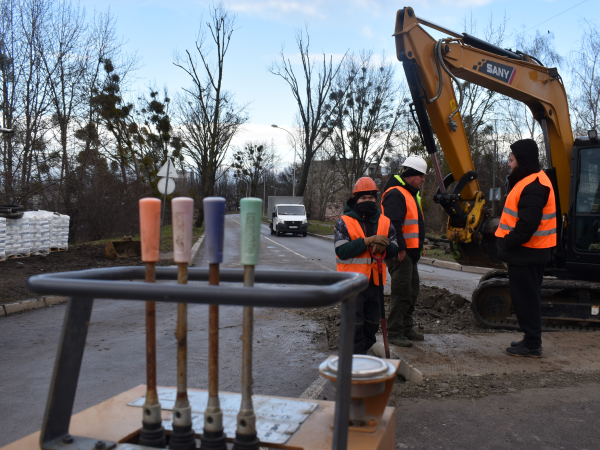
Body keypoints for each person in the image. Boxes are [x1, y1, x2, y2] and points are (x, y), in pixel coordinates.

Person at [496, 139, 556, 358]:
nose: (509, 164)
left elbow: (527, 225)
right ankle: (530, 340)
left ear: (521, 160)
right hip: (529, 252)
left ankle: (532, 344)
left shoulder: (534, 185)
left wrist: (506, 242)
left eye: (511, 160)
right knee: (526, 299)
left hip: (527, 253)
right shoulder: (531, 181)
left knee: (526, 300)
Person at [334, 177, 400, 354]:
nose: (368, 201)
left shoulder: (385, 222)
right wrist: (366, 242)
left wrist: (387, 245)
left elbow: (395, 250)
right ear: (356, 200)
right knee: (354, 324)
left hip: (375, 283)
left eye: (371, 198)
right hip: (352, 283)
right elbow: (342, 251)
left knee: (372, 323)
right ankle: (354, 360)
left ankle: (362, 352)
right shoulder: (344, 221)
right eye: (363, 198)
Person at [380, 156, 427, 348]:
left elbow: (413, 226)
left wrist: (418, 247)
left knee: (411, 291)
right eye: (421, 176)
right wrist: (400, 249)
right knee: (401, 293)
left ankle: (406, 327)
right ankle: (395, 332)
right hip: (401, 254)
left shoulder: (409, 192)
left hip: (410, 253)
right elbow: (393, 225)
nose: (423, 180)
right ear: (411, 175)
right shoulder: (396, 193)